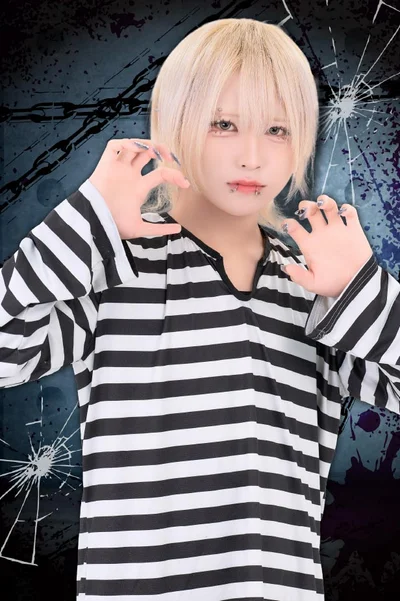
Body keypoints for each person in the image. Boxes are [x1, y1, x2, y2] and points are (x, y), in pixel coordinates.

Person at [1, 17, 399, 601]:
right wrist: (90, 218)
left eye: (277, 129)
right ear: (173, 123)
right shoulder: (112, 264)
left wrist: (360, 286)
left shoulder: (315, 285)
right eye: (223, 124)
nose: (252, 156)